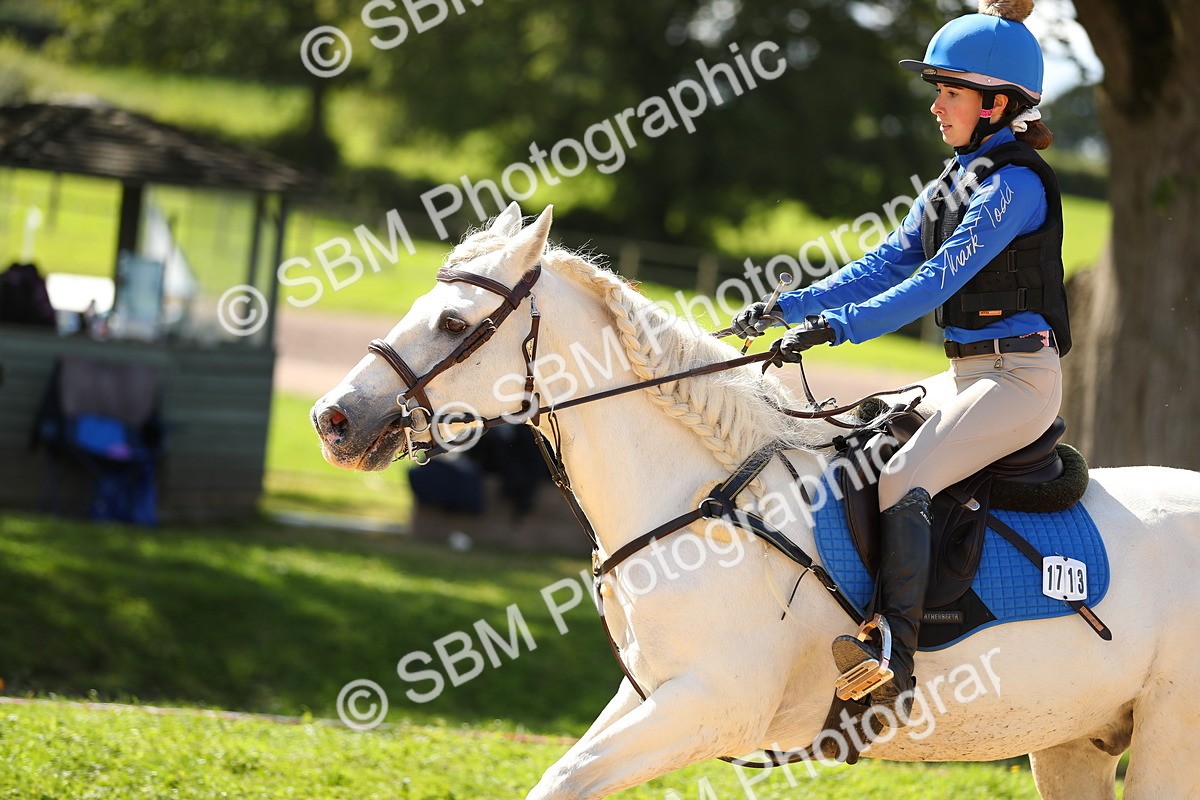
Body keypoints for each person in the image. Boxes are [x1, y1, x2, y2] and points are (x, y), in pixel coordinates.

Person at [732, 0, 1069, 723]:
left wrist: (836, 329)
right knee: (854, 440)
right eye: (938, 92)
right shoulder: (953, 180)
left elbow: (937, 280)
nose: (936, 107)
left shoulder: (1014, 185)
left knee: (906, 473)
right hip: (967, 374)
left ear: (995, 104)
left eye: (950, 93)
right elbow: (886, 261)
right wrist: (788, 308)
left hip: (1018, 379)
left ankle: (894, 657)